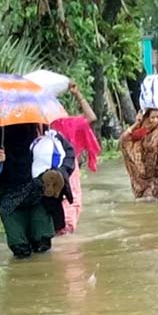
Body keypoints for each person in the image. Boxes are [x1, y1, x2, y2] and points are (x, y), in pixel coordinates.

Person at [0, 123, 75, 258]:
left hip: (39, 194)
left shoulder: (39, 122)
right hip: (11, 196)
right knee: (19, 248)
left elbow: (67, 153)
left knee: (42, 244)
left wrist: (59, 173)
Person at [49, 82, 100, 235]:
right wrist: (77, 95)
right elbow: (91, 117)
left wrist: (77, 94)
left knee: (66, 200)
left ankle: (62, 234)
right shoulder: (43, 126)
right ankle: (65, 235)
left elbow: (91, 117)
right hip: (61, 169)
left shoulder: (65, 124)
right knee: (70, 200)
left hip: (60, 169)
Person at [119, 108, 158, 200]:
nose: (155, 120)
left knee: (156, 200)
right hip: (144, 173)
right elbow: (124, 140)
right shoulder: (144, 130)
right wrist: (137, 123)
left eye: (157, 117)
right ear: (148, 117)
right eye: (152, 117)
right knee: (144, 200)